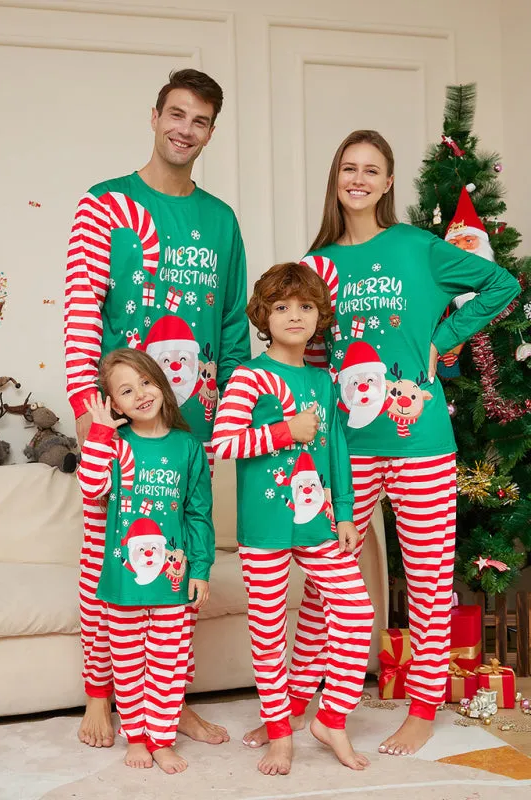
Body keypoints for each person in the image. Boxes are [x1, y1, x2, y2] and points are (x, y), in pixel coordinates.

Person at [242, 130, 521, 757]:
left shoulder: (419, 248)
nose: (359, 179)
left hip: (420, 440)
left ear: (389, 183)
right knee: (323, 582)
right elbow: (306, 354)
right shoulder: (317, 266)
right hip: (344, 444)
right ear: (336, 178)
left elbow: (501, 286)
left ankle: (422, 709)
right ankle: (290, 712)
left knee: (426, 579)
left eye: (372, 170)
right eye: (349, 168)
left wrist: (447, 335)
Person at [64, 68, 250, 748]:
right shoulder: (104, 205)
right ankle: (99, 698)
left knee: (180, 565)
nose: (185, 129)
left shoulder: (220, 220)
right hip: (117, 420)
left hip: (190, 425)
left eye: (200, 120)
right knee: (105, 562)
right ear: (154, 115)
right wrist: (89, 413)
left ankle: (169, 705)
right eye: (176, 114)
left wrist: (230, 414)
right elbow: (83, 314)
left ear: (210, 132)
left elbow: (231, 328)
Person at [212, 262, 375, 775]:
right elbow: (223, 442)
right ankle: (279, 733)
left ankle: (331, 717)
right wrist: (285, 431)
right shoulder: (249, 376)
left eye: (305, 306)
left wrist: (346, 514)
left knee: (355, 614)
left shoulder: (324, 381)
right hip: (264, 528)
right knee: (268, 632)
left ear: (320, 315)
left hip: (319, 522)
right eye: (281, 307)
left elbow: (338, 453)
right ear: (264, 315)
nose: (294, 315)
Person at [76, 348, 215, 774]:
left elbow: (198, 512)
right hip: (122, 582)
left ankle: (161, 739)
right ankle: (136, 737)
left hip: (172, 581)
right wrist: (99, 433)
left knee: (168, 666)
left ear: (162, 384)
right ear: (114, 405)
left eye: (146, 382)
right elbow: (91, 487)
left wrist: (202, 568)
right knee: (129, 664)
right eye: (126, 390)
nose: (140, 394)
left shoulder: (188, 446)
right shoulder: (115, 446)